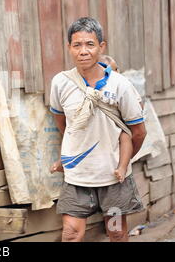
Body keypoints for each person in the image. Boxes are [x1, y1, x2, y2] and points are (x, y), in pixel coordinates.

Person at [48, 17, 146, 242]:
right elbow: (62, 121)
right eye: (77, 45)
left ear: (102, 47)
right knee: (71, 233)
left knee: (117, 233)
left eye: (90, 44)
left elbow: (138, 132)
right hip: (77, 179)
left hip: (113, 181)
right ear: (69, 48)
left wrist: (122, 161)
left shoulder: (121, 86)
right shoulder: (61, 83)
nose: (83, 51)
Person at [52, 54, 141, 184]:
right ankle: (62, 162)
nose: (112, 73)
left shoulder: (122, 84)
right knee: (72, 135)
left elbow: (138, 108)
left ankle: (122, 167)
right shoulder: (70, 84)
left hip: (118, 126)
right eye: (109, 70)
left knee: (125, 138)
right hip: (89, 129)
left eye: (115, 70)